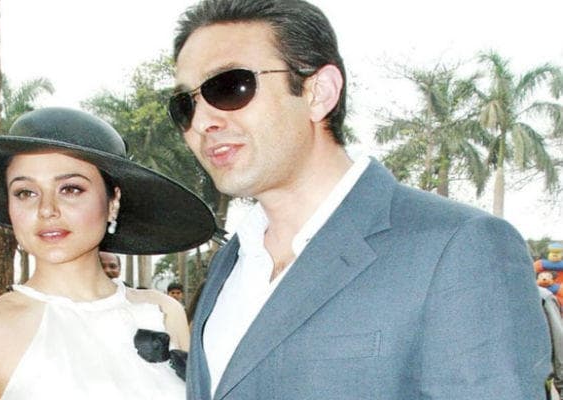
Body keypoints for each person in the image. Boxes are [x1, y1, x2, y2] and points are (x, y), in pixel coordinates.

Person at [169, 1, 551, 399]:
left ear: (319, 92)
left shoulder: (457, 248)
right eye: (185, 105)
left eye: (229, 87)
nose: (202, 122)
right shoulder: (233, 262)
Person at [0, 107, 217, 399]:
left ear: (112, 202)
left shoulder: (163, 312)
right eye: (25, 193)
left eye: (70, 189)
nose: (47, 209)